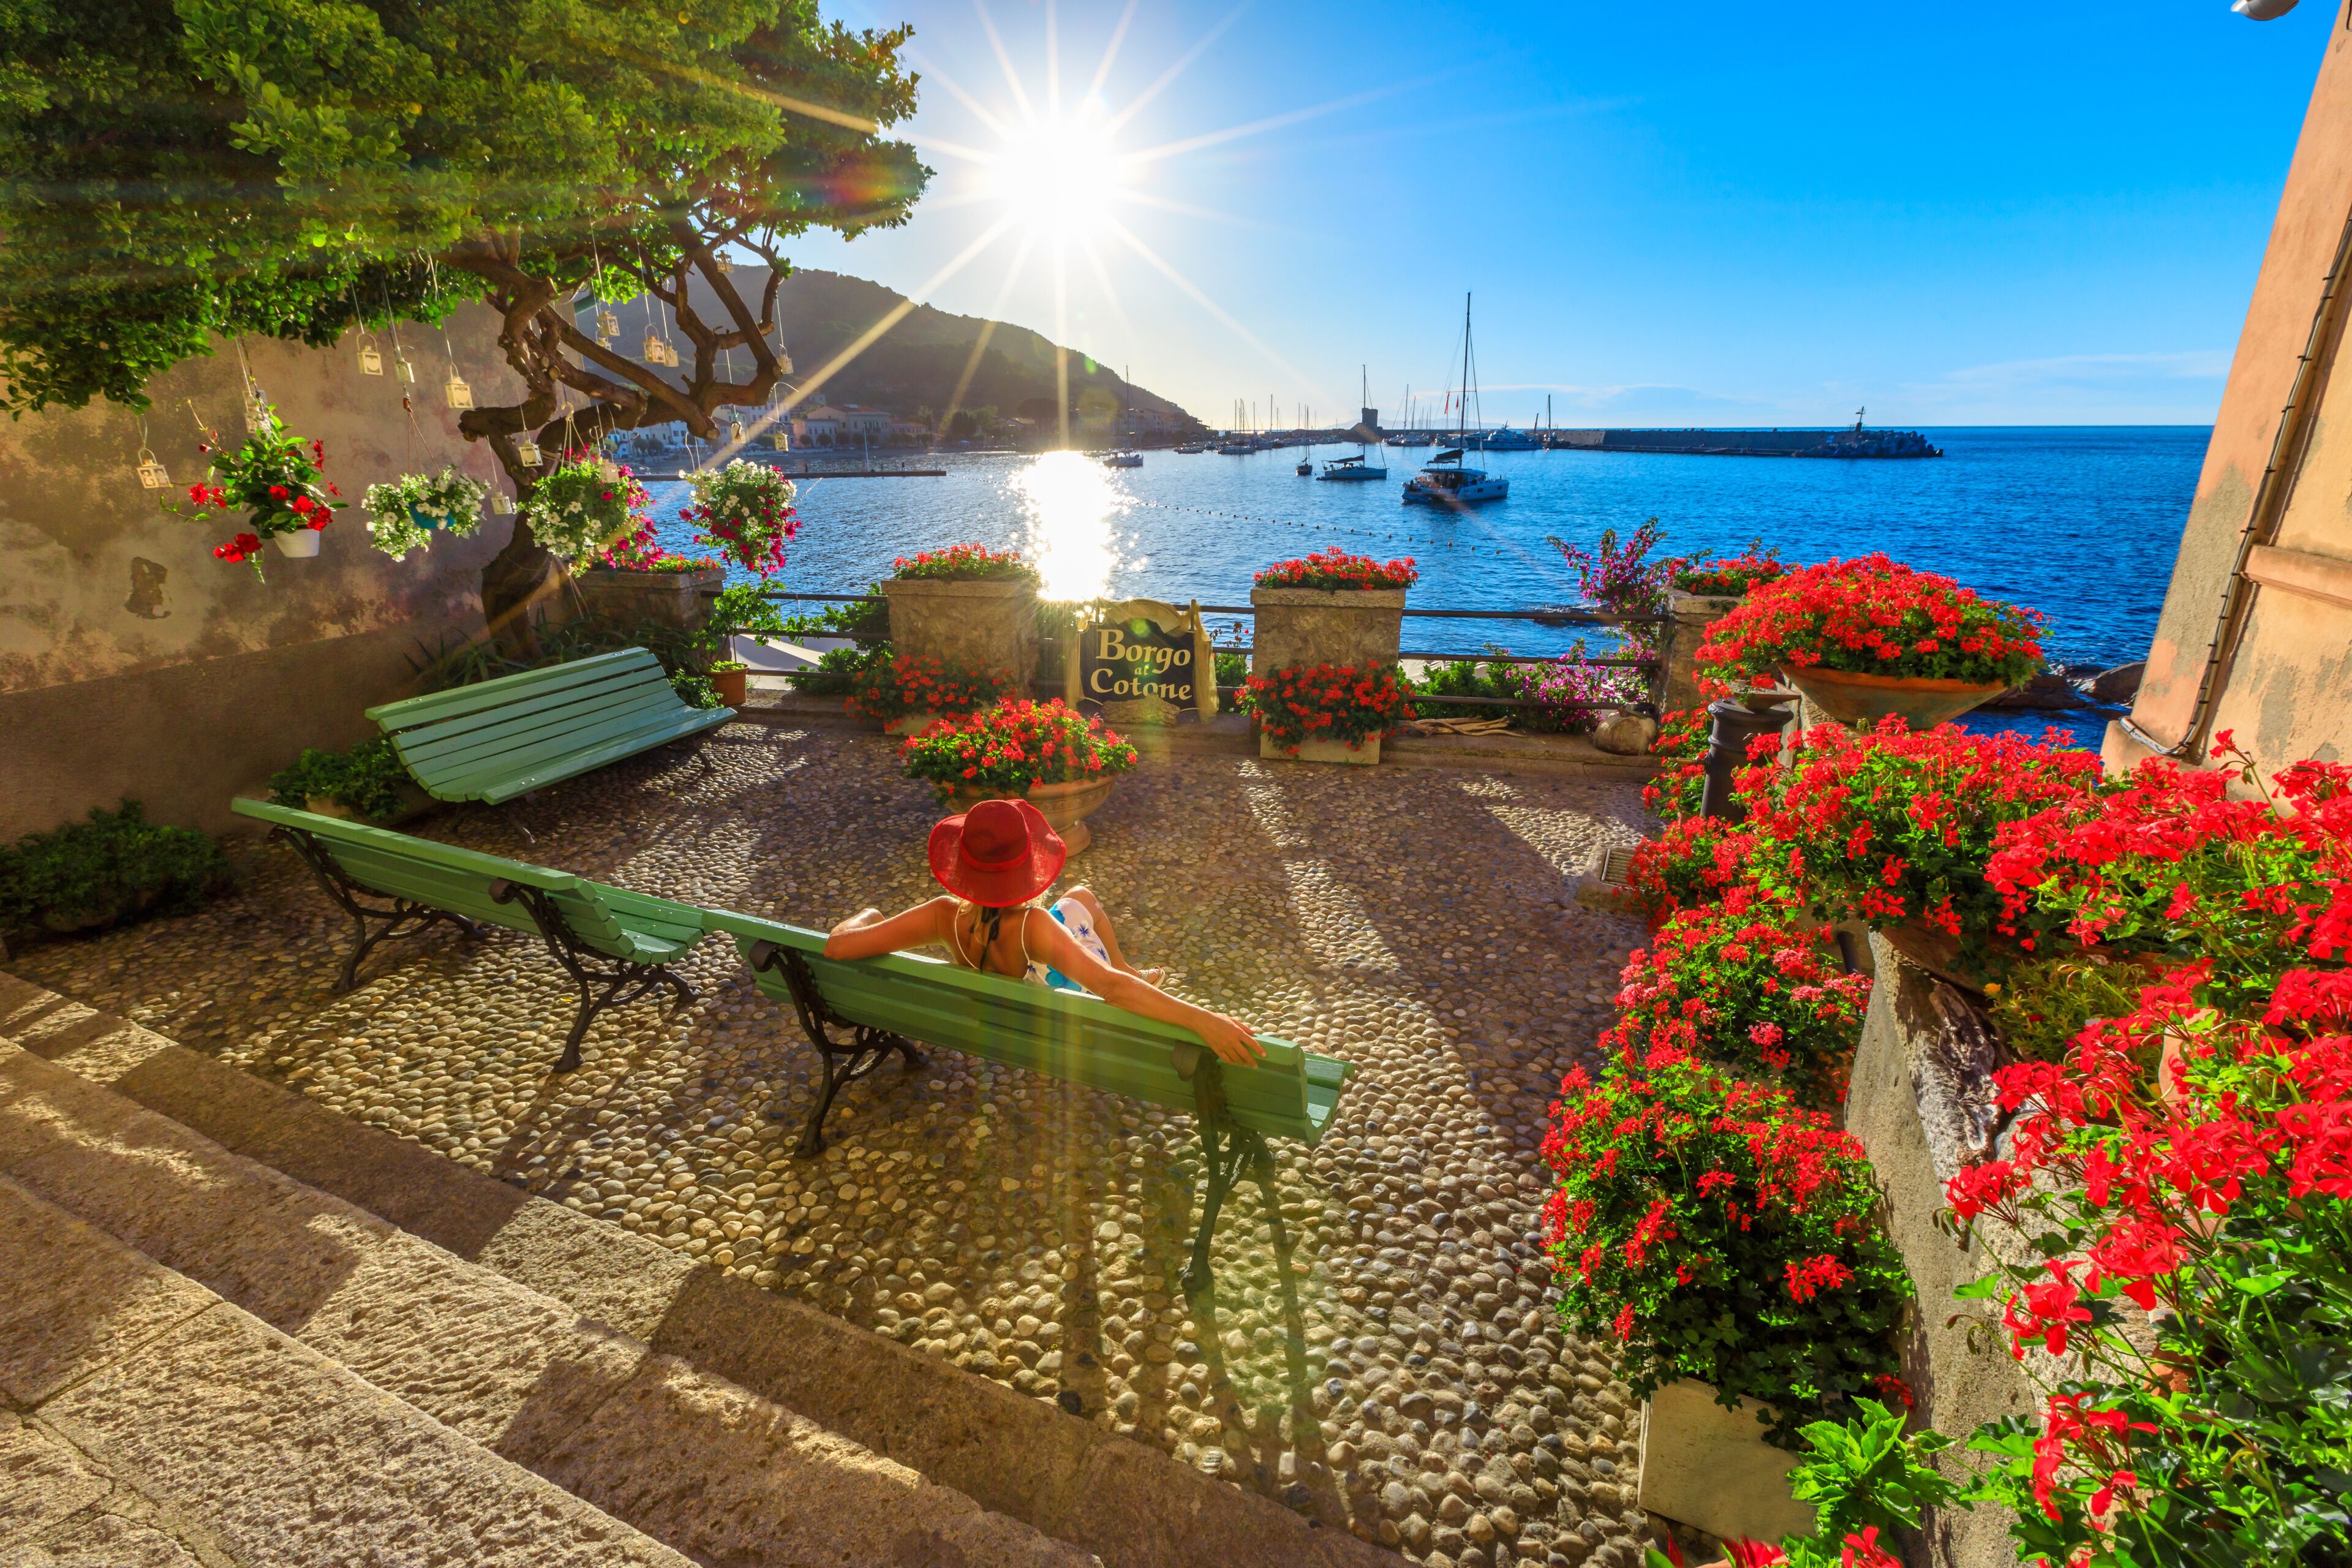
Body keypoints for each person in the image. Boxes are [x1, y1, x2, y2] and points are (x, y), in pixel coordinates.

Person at [823, 797, 1265, 1066]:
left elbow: (838, 946)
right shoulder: (1033, 925)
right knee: (1081, 901)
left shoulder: (942, 916)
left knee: (1078, 900)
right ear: (1025, 865)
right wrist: (1203, 1019)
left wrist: (870, 914)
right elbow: (1111, 990)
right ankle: (1129, 966)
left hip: (997, 1014)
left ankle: (1129, 965)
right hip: (1049, 1014)